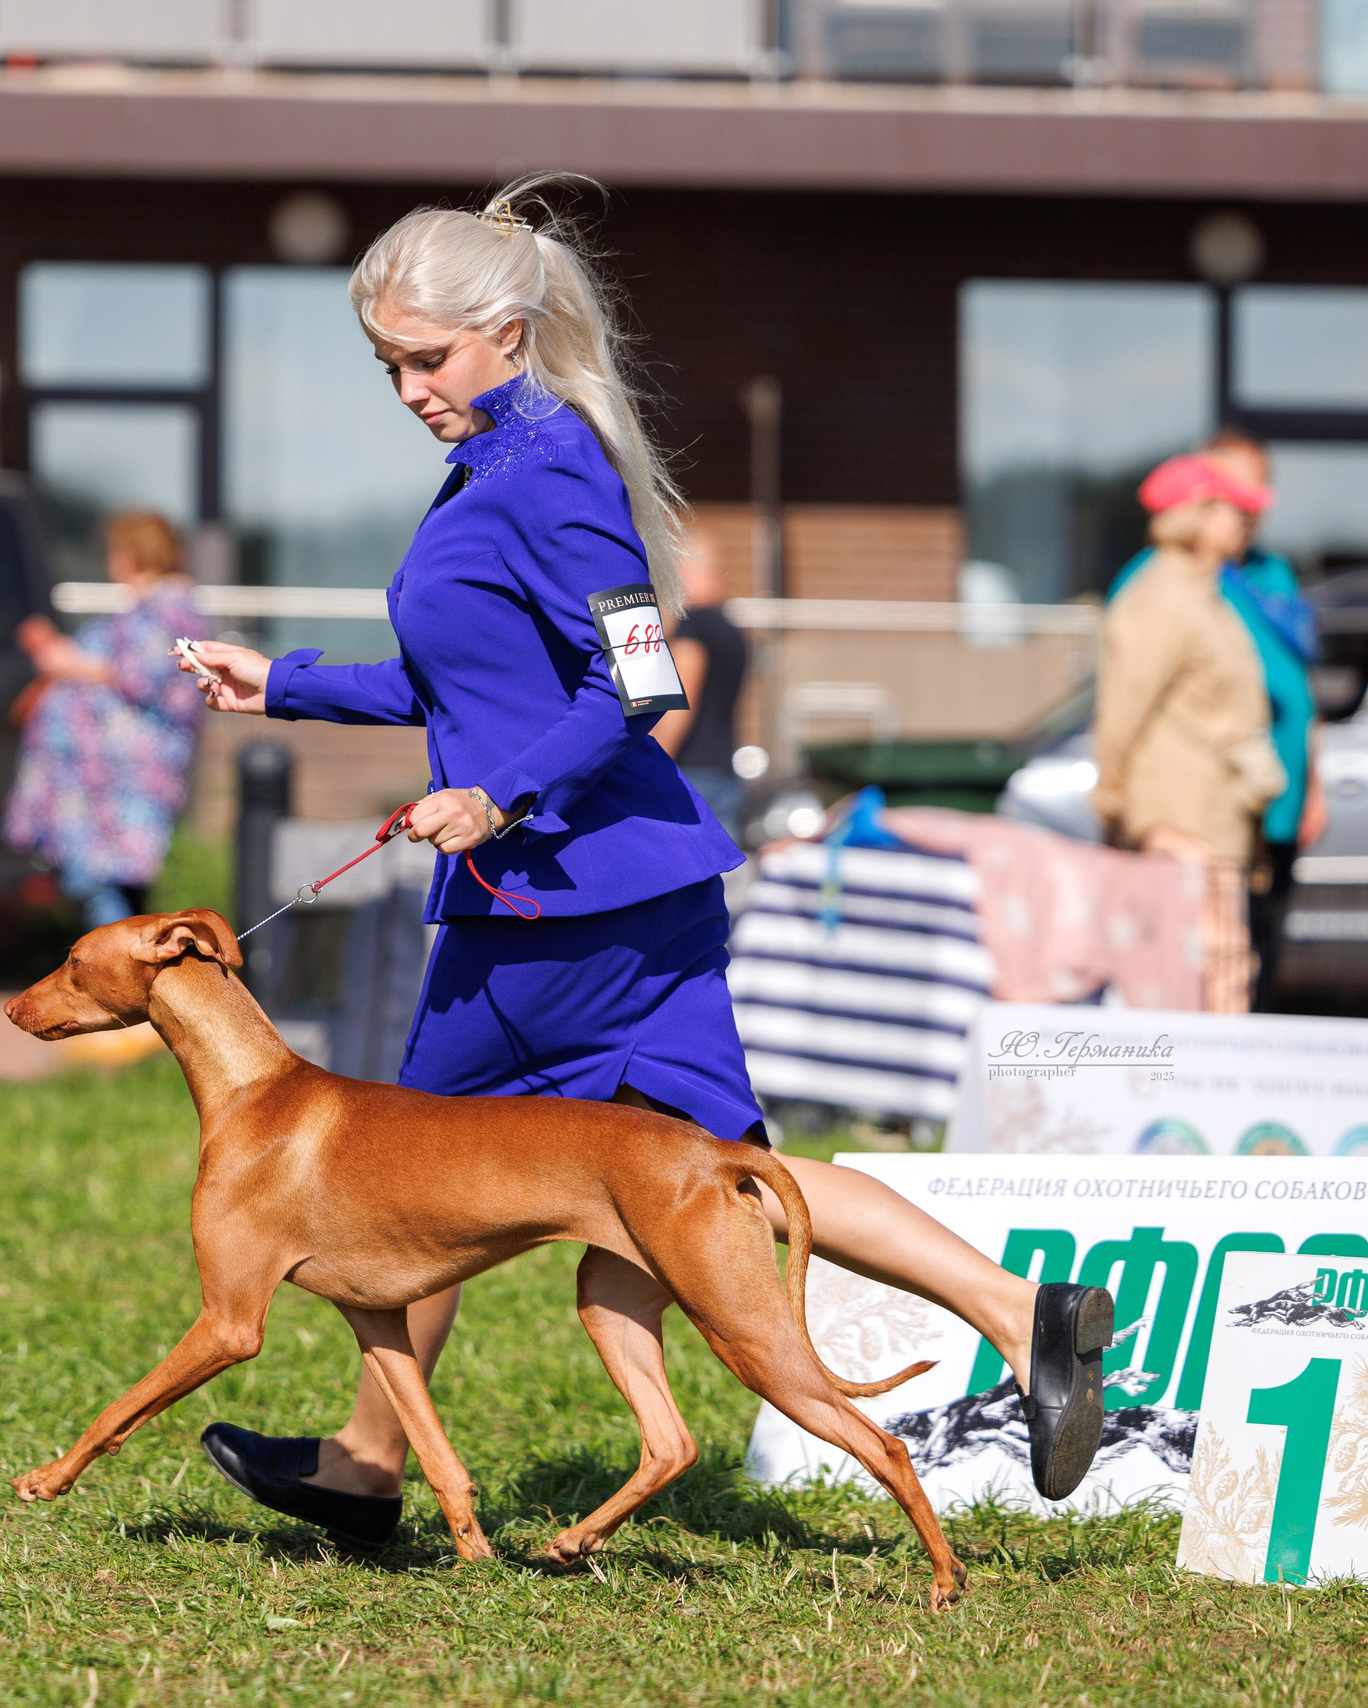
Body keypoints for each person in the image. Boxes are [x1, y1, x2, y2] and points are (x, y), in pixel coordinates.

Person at [178, 176, 1115, 1549]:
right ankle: (1027, 1313)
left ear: (506, 327)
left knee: (407, 1176)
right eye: (387, 366)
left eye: (427, 358)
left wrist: (498, 798)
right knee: (734, 1170)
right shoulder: (501, 461)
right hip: (629, 886)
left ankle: (369, 1468)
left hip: (561, 900)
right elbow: (470, 680)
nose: (409, 389)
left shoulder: (545, 467)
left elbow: (639, 676)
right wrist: (286, 685)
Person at [1108, 430, 1327, 1012]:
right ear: (1196, 515)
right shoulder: (1159, 595)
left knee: (1232, 965)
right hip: (1184, 817)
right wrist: (1112, 800)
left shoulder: (1223, 588)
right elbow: (1123, 710)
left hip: (1231, 815)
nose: (1246, 521)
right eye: (1234, 507)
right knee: (1200, 967)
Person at [4, 511, 211, 930]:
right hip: (106, 788)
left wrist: (71, 664)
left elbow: (139, 673)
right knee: (110, 883)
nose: (111, 563)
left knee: (109, 888)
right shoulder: (149, 610)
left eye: (117, 552)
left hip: (123, 786)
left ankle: (117, 985)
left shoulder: (167, 611)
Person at [652, 524, 749, 840]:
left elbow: (678, 704)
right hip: (723, 774)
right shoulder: (732, 629)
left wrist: (651, 761)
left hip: (690, 775)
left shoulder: (694, 627)